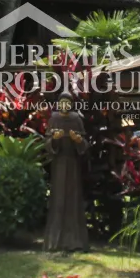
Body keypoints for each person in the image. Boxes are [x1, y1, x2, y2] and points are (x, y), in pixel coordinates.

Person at [44, 92, 88, 251]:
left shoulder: (77, 119)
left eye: (67, 102)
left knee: (73, 199)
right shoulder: (53, 118)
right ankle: (54, 241)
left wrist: (78, 140)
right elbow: (47, 143)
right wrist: (55, 139)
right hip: (59, 164)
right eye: (62, 102)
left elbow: (84, 145)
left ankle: (75, 241)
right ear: (58, 104)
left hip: (73, 164)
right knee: (58, 199)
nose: (65, 105)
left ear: (71, 104)